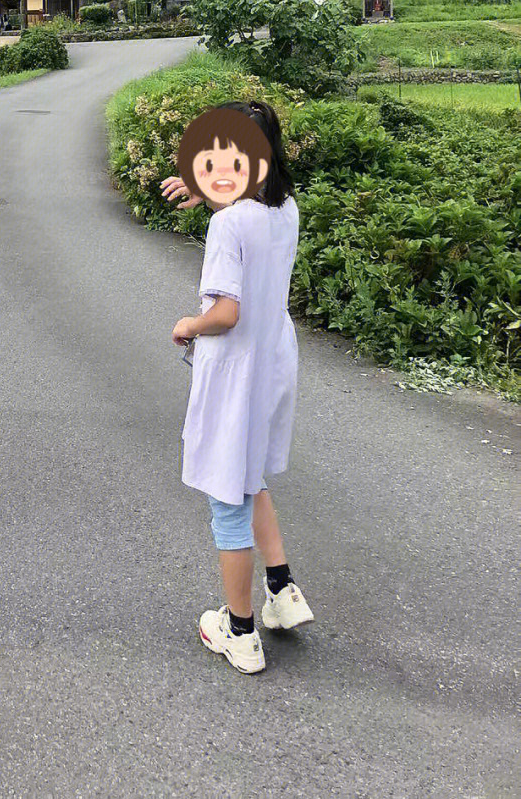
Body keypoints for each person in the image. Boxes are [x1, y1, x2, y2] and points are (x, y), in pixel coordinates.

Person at [160, 100, 313, 674]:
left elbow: (225, 311)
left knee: (228, 494)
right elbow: (249, 217)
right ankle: (283, 590)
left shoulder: (229, 224)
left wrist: (188, 326)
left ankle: (239, 630)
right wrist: (209, 196)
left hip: (235, 368)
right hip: (274, 360)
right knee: (251, 475)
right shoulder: (286, 208)